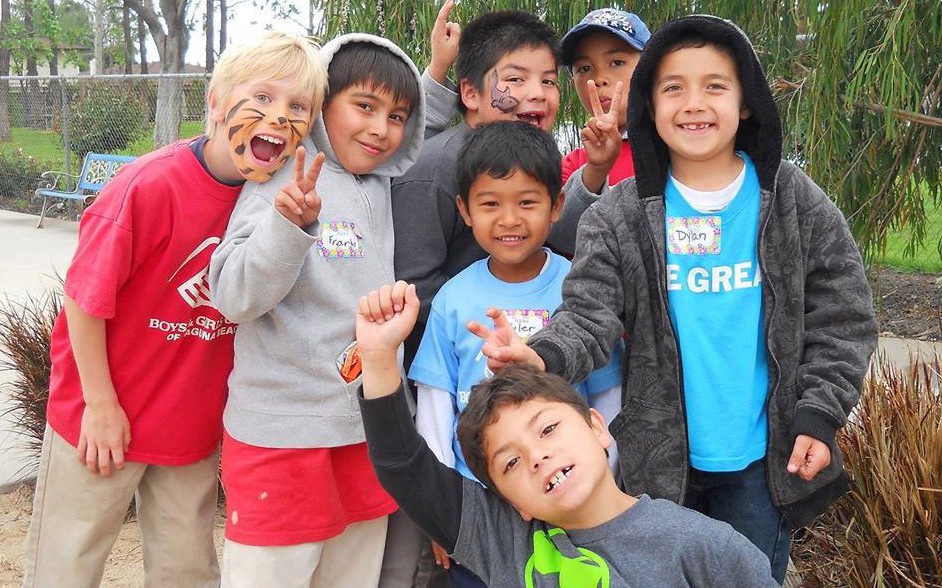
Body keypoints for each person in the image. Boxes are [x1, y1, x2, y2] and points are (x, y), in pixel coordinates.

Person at [469, 15, 878, 584]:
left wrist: (820, 413)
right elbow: (589, 314)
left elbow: (843, 317)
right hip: (659, 463)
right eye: (672, 88)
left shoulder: (792, 201)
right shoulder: (619, 214)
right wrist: (542, 355)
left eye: (715, 86)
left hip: (764, 461)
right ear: (648, 107)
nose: (694, 103)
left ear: (746, 103)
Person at [22, 32, 326, 588]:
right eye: (261, 97)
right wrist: (100, 404)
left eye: (297, 107)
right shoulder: (148, 186)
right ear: (215, 103)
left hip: (189, 428)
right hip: (100, 415)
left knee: (187, 571)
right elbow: (85, 301)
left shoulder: (276, 202)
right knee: (66, 563)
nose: (278, 117)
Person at [353, 282, 778, 587]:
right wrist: (376, 358)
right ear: (510, 502)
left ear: (597, 428)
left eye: (549, 428)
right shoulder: (504, 542)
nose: (537, 455)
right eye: (511, 463)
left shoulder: (706, 547)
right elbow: (404, 467)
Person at [207, 34, 426, 587]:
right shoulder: (285, 175)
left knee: (350, 577)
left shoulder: (379, 179)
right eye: (364, 107)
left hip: (365, 427)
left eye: (397, 116)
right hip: (284, 436)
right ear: (322, 105)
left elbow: (428, 114)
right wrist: (289, 226)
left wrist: (439, 74)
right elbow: (233, 296)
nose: (381, 128)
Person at [409, 121, 624, 587]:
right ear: (465, 210)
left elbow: (607, 394)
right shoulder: (453, 296)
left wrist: (604, 472)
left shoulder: (579, 285)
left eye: (527, 202)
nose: (509, 220)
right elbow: (434, 405)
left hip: (567, 493)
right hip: (478, 506)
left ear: (557, 206)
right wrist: (442, 509)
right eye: (490, 204)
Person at [391, 10, 564, 377]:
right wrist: (491, 327)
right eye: (515, 79)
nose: (537, 93)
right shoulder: (434, 169)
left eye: (549, 81)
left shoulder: (538, 159)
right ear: (470, 93)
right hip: (454, 365)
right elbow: (414, 284)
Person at [559, 8, 651, 191]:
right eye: (584, 68)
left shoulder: (678, 146)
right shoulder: (573, 166)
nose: (599, 78)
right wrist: (595, 173)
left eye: (617, 62)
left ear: (651, 67)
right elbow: (562, 219)